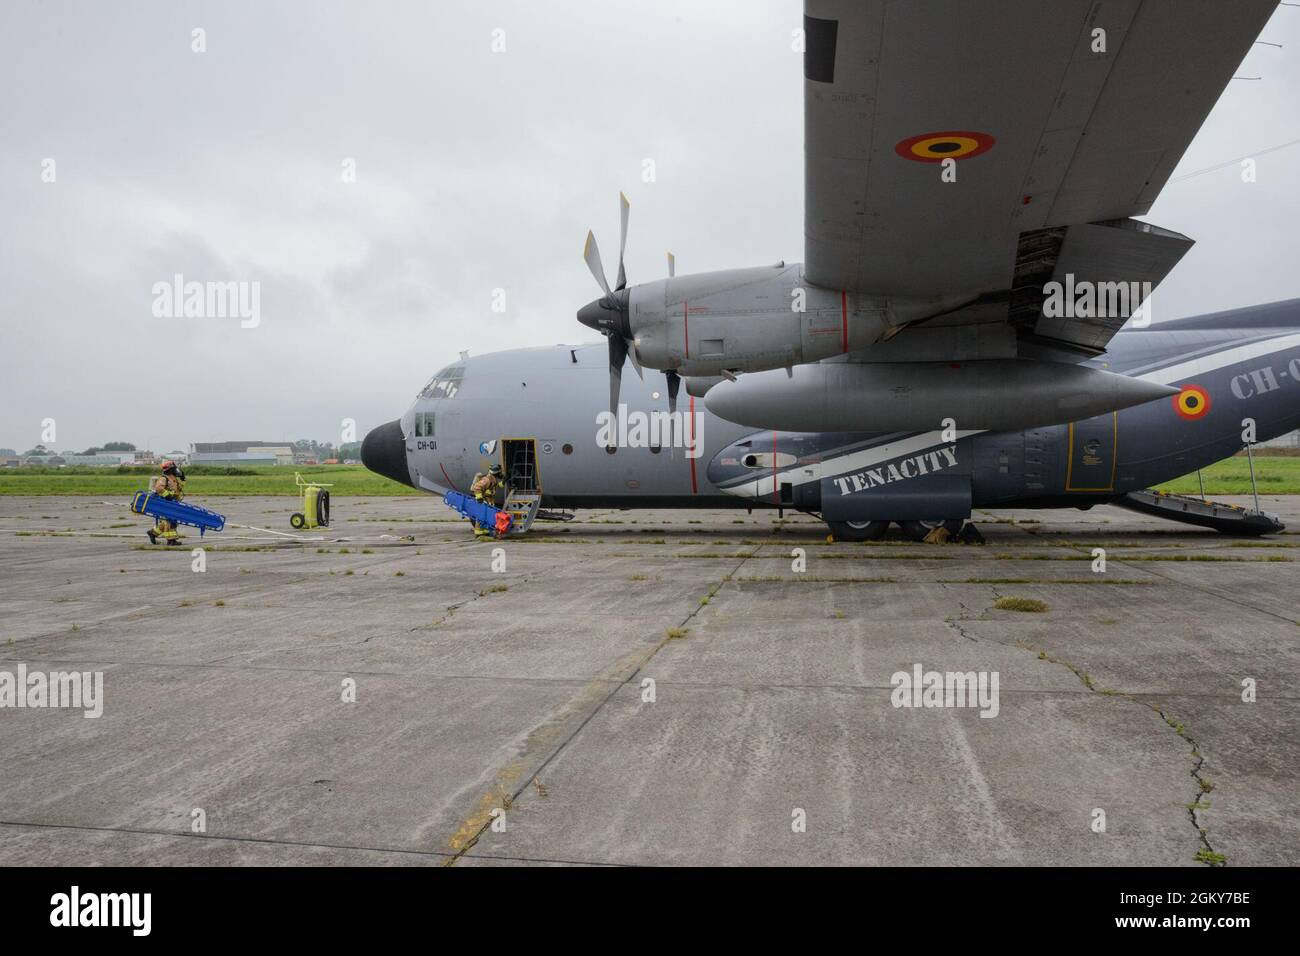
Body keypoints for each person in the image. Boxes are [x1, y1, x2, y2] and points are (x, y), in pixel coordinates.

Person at [147, 460, 187, 545]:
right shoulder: (164, 478)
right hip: (165, 503)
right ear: (170, 469)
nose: (176, 469)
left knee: (167, 521)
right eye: (174, 468)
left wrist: (183, 479)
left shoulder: (172, 477)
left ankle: (153, 533)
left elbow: (179, 488)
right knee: (170, 521)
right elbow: (158, 488)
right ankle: (171, 540)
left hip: (172, 502)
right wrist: (167, 495)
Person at [468, 464, 505, 539]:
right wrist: (479, 498)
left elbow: (497, 486)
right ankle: (479, 533)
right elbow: (477, 487)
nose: (501, 474)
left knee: (486, 517)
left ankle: (485, 531)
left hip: (489, 501)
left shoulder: (492, 479)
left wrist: (504, 481)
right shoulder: (487, 479)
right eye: (500, 472)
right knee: (481, 516)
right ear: (497, 472)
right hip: (484, 501)